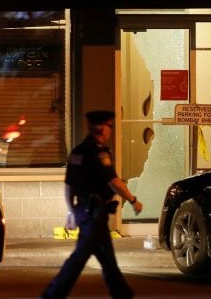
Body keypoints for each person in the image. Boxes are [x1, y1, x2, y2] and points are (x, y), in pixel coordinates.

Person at [41, 110, 142, 299]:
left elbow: (69, 186)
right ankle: (51, 295)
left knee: (107, 260)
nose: (110, 130)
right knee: (79, 259)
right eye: (110, 126)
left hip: (86, 212)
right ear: (103, 128)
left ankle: (122, 294)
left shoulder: (78, 151)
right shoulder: (99, 152)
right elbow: (114, 182)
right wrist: (133, 200)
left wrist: (72, 212)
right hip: (94, 214)